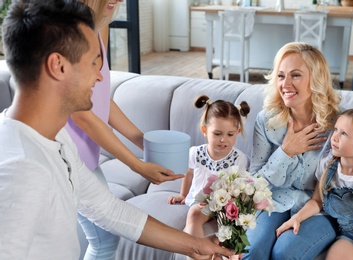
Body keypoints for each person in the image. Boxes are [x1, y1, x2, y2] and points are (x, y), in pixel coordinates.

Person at [0, 1, 232, 259]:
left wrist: (196, 245)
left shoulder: (58, 141)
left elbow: (110, 211)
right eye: (92, 63)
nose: (100, 78)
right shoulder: (19, 170)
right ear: (59, 66)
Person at [242, 42, 353, 260]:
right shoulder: (266, 119)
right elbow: (254, 183)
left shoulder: (340, 123)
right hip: (273, 200)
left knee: (284, 253)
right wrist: (286, 151)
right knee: (253, 250)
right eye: (281, 75)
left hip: (320, 209)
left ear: (316, 79)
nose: (285, 84)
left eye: (295, 75)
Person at [67, 0, 183, 258]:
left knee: (104, 241)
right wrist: (137, 164)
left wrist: (144, 142)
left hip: (86, 159)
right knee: (103, 241)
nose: (119, 1)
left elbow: (100, 98)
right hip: (66, 159)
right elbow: (82, 114)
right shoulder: (67, 32)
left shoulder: (99, 28)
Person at [276, 108, 353, 260]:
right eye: (336, 129)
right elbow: (317, 201)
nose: (334, 137)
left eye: (344, 134)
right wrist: (296, 218)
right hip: (348, 234)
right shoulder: (328, 166)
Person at [167, 95, 250, 244]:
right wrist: (182, 194)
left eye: (230, 134)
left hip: (226, 205)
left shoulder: (239, 158)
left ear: (237, 133)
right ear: (204, 130)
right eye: (217, 134)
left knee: (231, 229)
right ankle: (194, 250)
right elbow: (189, 174)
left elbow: (239, 188)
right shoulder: (195, 153)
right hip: (201, 202)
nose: (223, 139)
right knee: (194, 213)